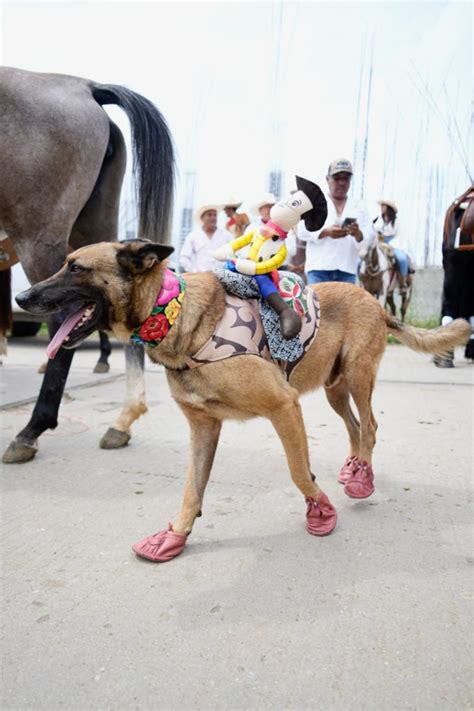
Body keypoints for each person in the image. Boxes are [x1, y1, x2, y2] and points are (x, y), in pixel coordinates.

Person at [298, 158, 371, 284]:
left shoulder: (360, 206)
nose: (342, 183)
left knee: (347, 305)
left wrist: (358, 233)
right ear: (327, 179)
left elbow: (370, 235)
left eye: (346, 178)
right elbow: (301, 230)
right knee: (317, 304)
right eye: (337, 178)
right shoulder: (315, 202)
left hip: (347, 269)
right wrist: (326, 232)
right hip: (319, 269)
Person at [434, 186, 474, 367]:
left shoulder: (456, 206)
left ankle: (445, 351)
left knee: (450, 302)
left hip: (452, 255)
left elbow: (445, 244)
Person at [179, 204, 233, 273]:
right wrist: (194, 272)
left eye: (215, 215)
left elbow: (236, 255)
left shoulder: (227, 235)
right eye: (209, 215)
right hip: (201, 279)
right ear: (202, 218)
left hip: (223, 278)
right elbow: (184, 258)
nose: (213, 217)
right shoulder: (193, 236)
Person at [372, 200, 411, 292]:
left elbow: (399, 234)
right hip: (380, 242)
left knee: (402, 259)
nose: (381, 208)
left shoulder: (396, 222)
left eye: (383, 206)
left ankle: (402, 283)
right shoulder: (379, 220)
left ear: (388, 208)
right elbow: (374, 230)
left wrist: (389, 241)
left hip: (394, 243)